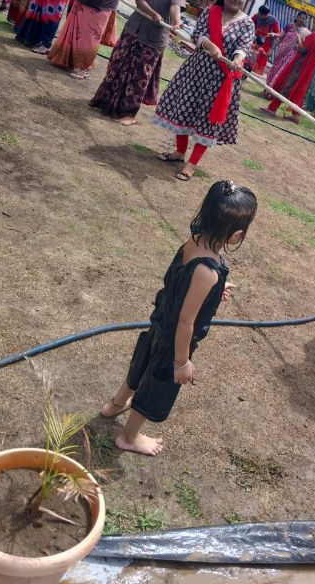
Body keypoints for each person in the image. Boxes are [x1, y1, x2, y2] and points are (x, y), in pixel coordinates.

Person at [99, 180, 258, 455]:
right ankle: (129, 436)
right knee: (156, 385)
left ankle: (116, 404)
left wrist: (214, 291)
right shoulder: (208, 271)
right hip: (174, 342)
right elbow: (186, 322)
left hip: (159, 323)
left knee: (141, 365)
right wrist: (182, 362)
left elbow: (182, 284)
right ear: (236, 235)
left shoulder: (194, 241)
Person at [154, 0, 255, 181]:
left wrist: (237, 59)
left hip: (221, 80)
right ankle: (179, 152)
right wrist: (210, 45)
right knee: (184, 109)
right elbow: (197, 34)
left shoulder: (247, 23)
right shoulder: (211, 11)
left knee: (208, 121)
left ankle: (192, 164)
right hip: (197, 72)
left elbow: (243, 47)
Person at [90, 0, 185, 125]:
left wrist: (176, 23)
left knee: (140, 77)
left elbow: (175, 8)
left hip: (154, 38)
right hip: (133, 30)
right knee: (117, 66)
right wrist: (153, 13)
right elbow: (139, 0)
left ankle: (129, 114)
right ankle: (104, 101)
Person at [261, 15, 315, 124]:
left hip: (300, 67)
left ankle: (273, 108)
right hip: (307, 69)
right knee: (297, 90)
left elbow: (303, 49)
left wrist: (299, 41)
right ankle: (294, 114)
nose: (313, 25)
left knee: (286, 85)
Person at [264, 10, 310, 95]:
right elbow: (280, 38)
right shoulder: (289, 26)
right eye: (300, 17)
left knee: (281, 73)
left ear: (306, 20)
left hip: (291, 56)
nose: (302, 19)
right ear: (297, 17)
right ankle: (267, 90)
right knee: (273, 71)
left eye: (304, 19)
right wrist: (272, 49)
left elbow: (303, 46)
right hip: (281, 52)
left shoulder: (306, 32)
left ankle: (271, 93)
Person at [251, 4, 280, 75]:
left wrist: (272, 34)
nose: (260, 16)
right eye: (260, 14)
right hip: (255, 41)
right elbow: (249, 24)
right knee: (250, 59)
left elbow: (279, 34)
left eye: (262, 15)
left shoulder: (273, 20)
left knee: (261, 61)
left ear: (267, 14)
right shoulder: (256, 16)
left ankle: (256, 77)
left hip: (266, 44)